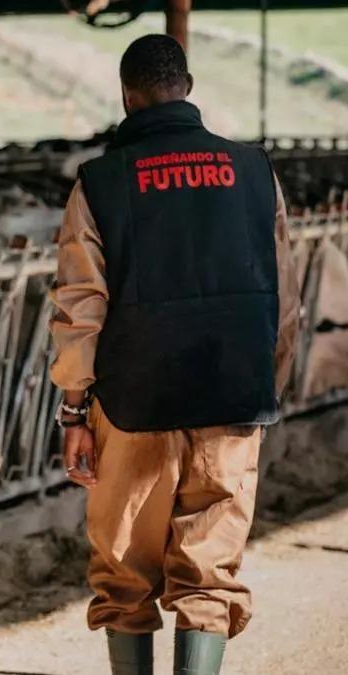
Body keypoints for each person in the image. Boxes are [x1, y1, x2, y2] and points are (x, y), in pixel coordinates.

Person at [49, 34, 300, 675]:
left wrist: (75, 411)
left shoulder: (99, 182)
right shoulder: (253, 171)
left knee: (123, 575)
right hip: (232, 398)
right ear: (185, 88)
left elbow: (81, 304)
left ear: (127, 97)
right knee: (210, 572)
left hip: (133, 407)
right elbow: (285, 294)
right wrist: (264, 385)